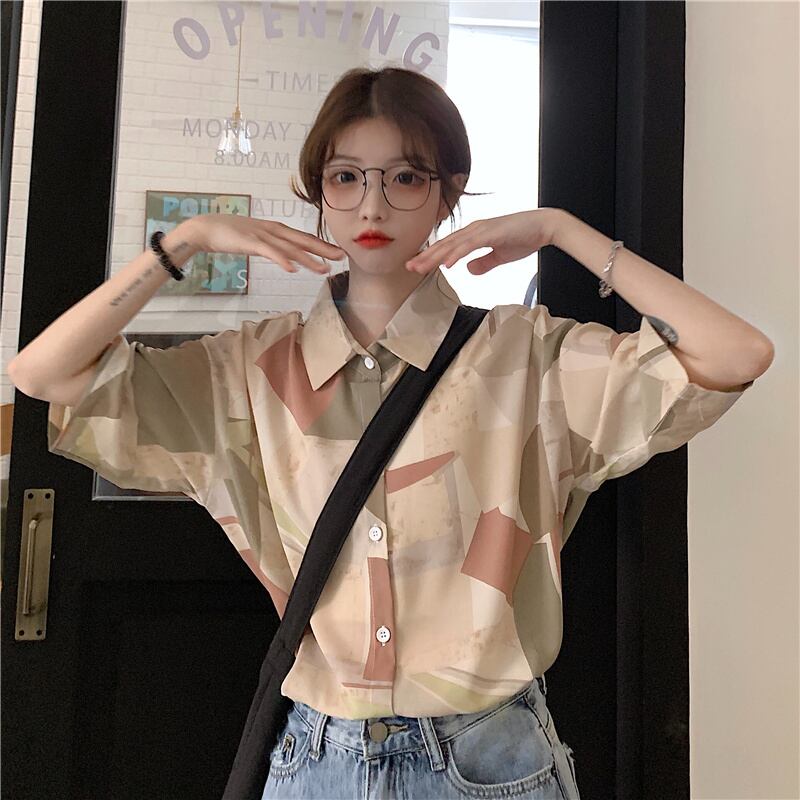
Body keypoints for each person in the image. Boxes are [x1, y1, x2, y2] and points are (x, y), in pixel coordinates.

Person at [8, 66, 773, 800]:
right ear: (319, 192)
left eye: (406, 177)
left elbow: (735, 354)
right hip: (317, 759)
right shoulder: (250, 369)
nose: (372, 205)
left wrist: (559, 228)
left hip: (490, 759)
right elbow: (44, 374)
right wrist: (186, 241)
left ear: (447, 195)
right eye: (345, 177)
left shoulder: (526, 356)